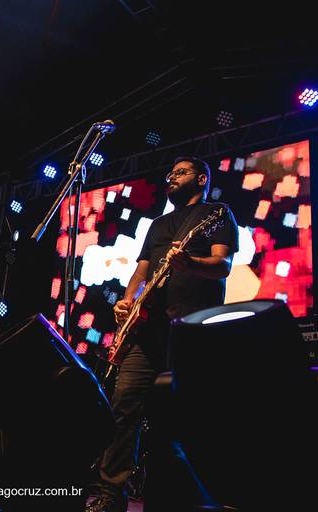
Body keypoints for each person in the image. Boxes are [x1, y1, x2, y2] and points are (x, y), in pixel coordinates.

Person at [86, 157, 239, 512]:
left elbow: (223, 265)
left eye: (181, 172)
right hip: (146, 331)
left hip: (191, 329)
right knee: (123, 405)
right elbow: (142, 271)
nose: (171, 177)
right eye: (169, 173)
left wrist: (190, 263)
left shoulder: (215, 214)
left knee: (186, 415)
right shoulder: (157, 225)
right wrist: (127, 302)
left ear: (201, 179)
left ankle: (193, 498)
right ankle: (111, 494)